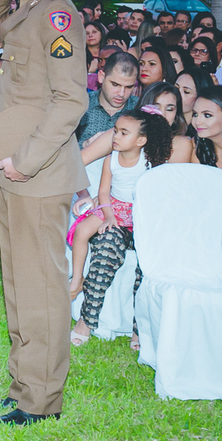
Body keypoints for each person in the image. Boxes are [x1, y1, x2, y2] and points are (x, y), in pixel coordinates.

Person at [0, 0, 89, 426]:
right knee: (18, 283)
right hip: (15, 172)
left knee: (41, 287)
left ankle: (42, 399)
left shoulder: (57, 14)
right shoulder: (28, 6)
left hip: (37, 173)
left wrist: (24, 162)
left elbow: (71, 100)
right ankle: (24, 385)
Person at [67, 108, 171, 303]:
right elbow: (104, 192)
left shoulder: (149, 162)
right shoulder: (111, 159)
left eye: (124, 133)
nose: (115, 136)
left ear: (141, 140)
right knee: (82, 230)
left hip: (138, 210)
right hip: (113, 206)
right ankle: (77, 279)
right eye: (115, 131)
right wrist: (108, 215)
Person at [76, 51, 138, 145]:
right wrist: (85, 145)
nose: (121, 94)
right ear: (101, 77)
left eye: (129, 87)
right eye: (115, 84)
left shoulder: (139, 108)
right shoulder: (82, 104)